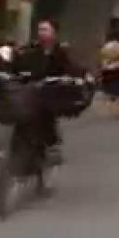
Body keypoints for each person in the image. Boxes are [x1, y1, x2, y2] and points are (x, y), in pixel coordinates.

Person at [15, 20, 75, 163]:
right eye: (40, 29)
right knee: (19, 116)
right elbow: (19, 66)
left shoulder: (60, 51)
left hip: (50, 92)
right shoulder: (31, 49)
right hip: (31, 91)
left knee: (46, 117)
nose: (41, 32)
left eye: (45, 29)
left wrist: (66, 78)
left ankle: (51, 147)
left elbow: (69, 69)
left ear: (54, 33)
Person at [98, 31, 119, 112]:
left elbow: (103, 65)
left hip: (109, 73)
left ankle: (112, 97)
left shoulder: (104, 49)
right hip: (117, 73)